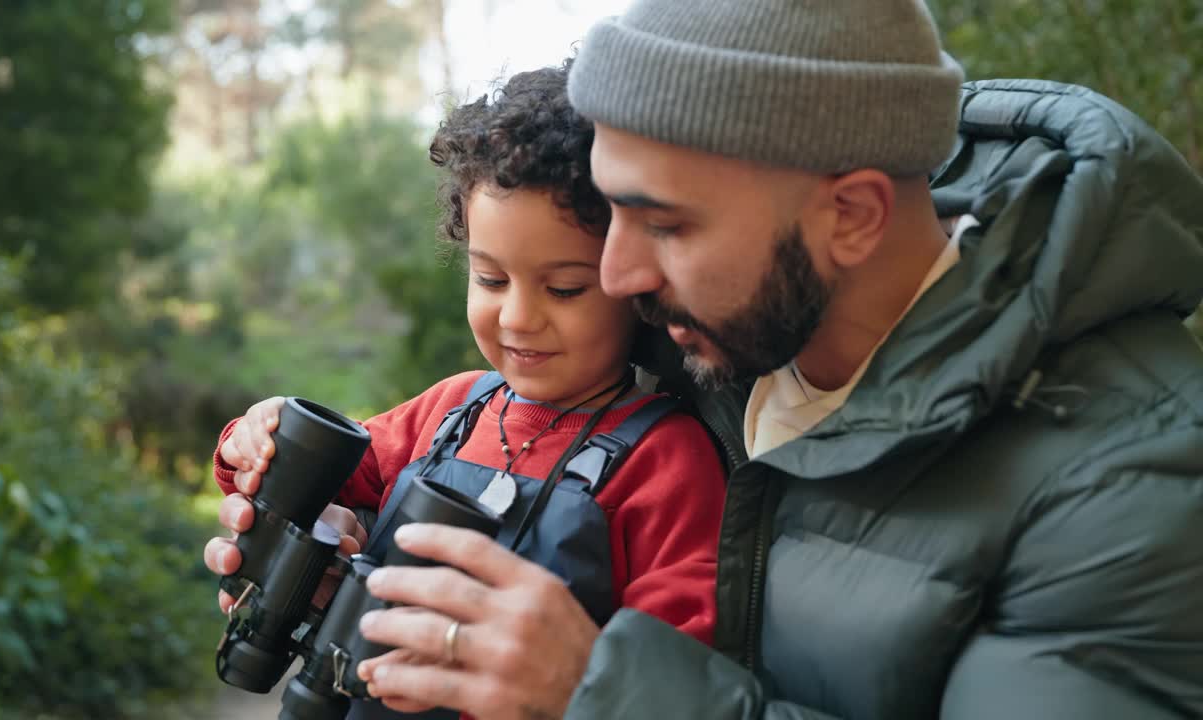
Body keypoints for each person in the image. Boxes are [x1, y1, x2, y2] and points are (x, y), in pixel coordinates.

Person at [335, 1, 1203, 719]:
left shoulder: (1133, 485)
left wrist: (599, 692)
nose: (618, 278)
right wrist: (354, 583)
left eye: (666, 225)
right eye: (612, 215)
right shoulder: (715, 331)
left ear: (853, 216)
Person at [202, 60, 727, 718]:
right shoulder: (454, 409)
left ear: (633, 280)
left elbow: (670, 675)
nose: (517, 317)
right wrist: (258, 443)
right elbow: (322, 475)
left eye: (564, 288)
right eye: (491, 278)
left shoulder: (666, 462)